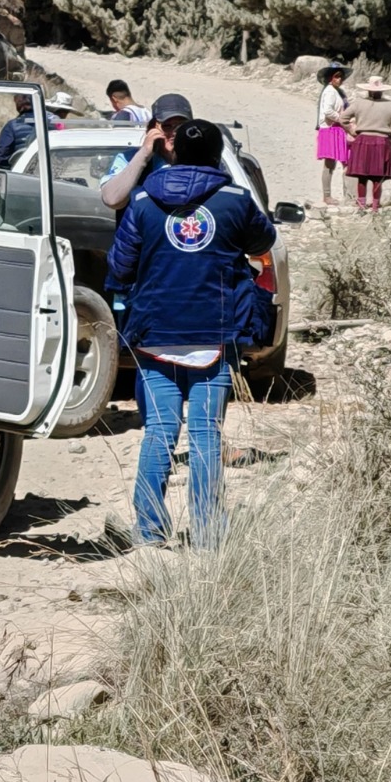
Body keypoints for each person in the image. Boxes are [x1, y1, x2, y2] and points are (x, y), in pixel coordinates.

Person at [104, 119, 276, 549]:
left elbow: (120, 268)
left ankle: (148, 530)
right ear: (218, 157)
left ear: (174, 152)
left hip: (154, 332)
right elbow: (264, 242)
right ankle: (207, 534)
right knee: (205, 433)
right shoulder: (235, 200)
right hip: (215, 334)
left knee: (160, 430)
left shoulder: (142, 201)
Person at [99, 92, 193, 214]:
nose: (174, 132)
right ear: (153, 128)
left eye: (180, 126)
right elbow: (112, 200)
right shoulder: (129, 159)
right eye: (167, 126)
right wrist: (144, 154)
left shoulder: (206, 159)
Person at [341, 76, 391, 213]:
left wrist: (352, 131)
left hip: (362, 141)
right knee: (377, 177)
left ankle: (361, 205)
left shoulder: (358, 103)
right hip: (382, 142)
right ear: (382, 90)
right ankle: (375, 207)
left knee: (362, 176)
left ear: (368, 90)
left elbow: (343, 118)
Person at [315, 62, 351, 205]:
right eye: (336, 76)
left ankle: (348, 194)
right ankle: (327, 195)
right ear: (330, 77)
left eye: (341, 77)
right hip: (331, 129)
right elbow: (327, 111)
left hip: (337, 128)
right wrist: (343, 119)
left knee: (345, 161)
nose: (339, 79)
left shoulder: (338, 91)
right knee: (330, 163)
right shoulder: (330, 91)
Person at [0, 92, 57, 164]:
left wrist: (10, 171)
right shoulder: (51, 122)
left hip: (21, 170)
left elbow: (1, 154)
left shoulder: (11, 125)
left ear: (17, 105)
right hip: (48, 168)